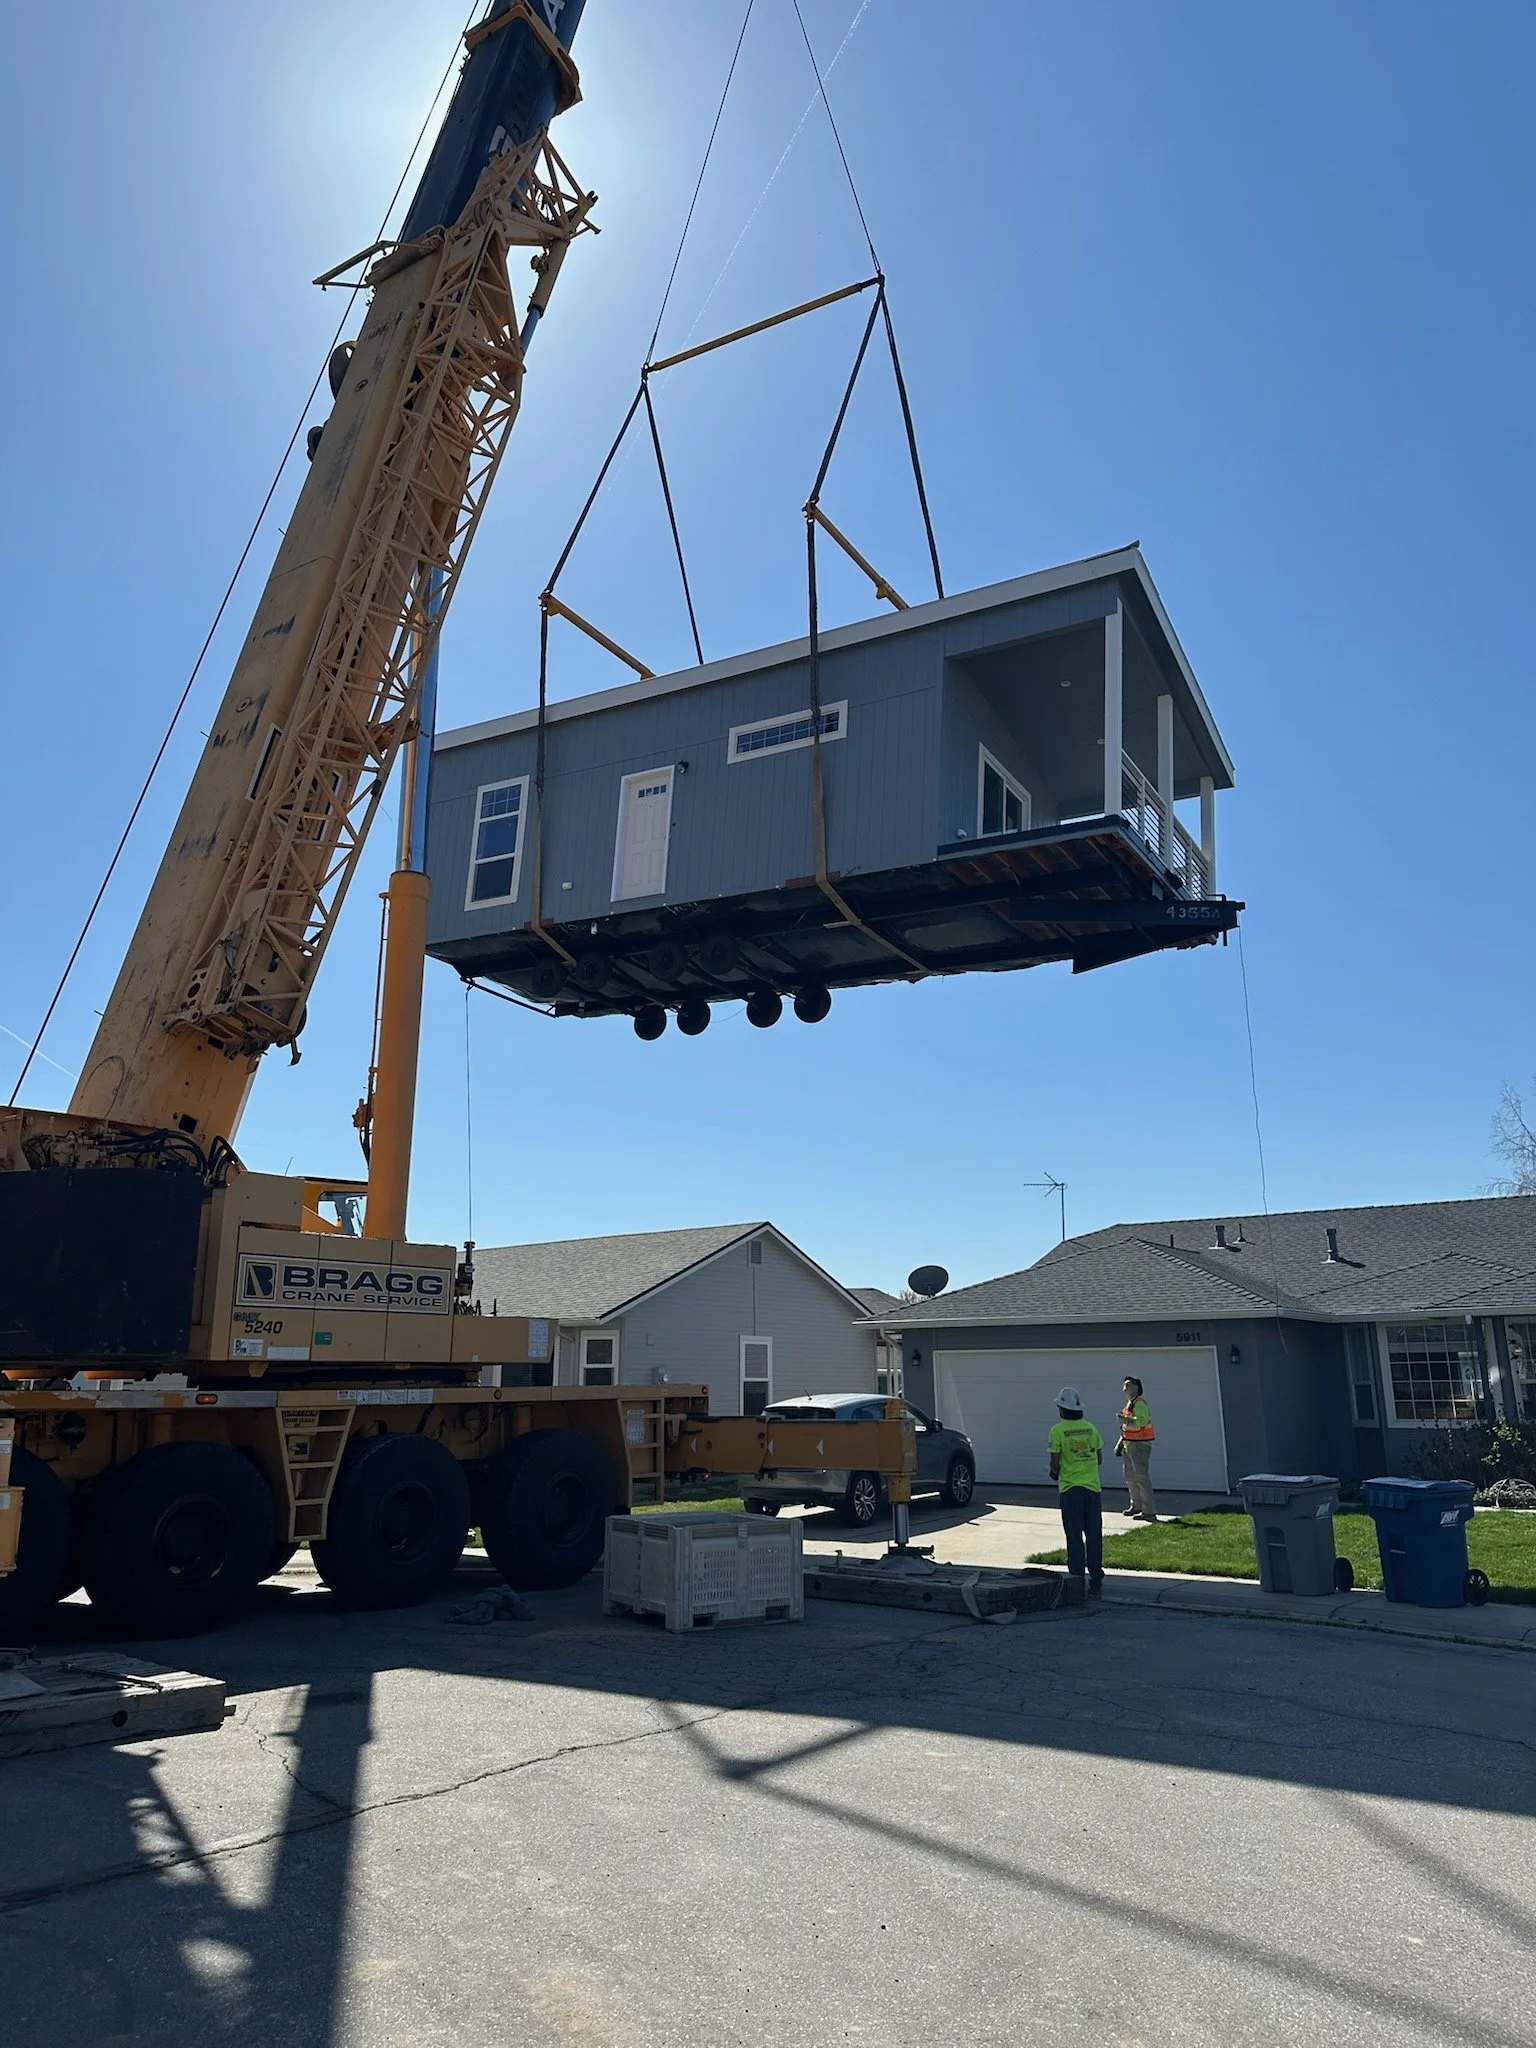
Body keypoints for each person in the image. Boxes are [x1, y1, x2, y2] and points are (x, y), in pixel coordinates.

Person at [1047, 1385, 1103, 1597]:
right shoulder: (1091, 1428)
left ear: (1062, 1409)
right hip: (1092, 1488)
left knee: (1074, 1535)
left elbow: (1055, 1463)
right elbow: (1099, 1458)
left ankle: (1077, 1580)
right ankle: (1096, 1578)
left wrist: (1054, 1473)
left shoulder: (1057, 1431)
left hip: (1070, 1489)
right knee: (1094, 1535)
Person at [1116, 1376, 1158, 1522]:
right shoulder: (1129, 1404)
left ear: (1135, 1387)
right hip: (1129, 1444)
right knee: (1130, 1477)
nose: (1125, 1389)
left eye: (1127, 1386)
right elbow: (1125, 1427)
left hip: (1140, 1445)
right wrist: (1120, 1444)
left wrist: (1124, 1420)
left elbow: (1141, 1422)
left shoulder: (1140, 1404)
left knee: (1141, 1478)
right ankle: (1136, 1506)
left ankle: (1149, 1511)